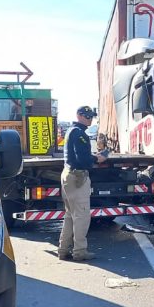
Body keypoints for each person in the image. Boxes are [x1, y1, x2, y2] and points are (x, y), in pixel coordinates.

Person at [58, 106, 105, 261]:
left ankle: (63, 250)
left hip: (69, 174)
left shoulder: (73, 131)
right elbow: (83, 159)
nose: (89, 119)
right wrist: (96, 158)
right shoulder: (79, 134)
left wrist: (91, 156)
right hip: (77, 176)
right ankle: (79, 251)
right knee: (82, 215)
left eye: (91, 116)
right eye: (86, 116)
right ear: (78, 116)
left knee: (70, 216)